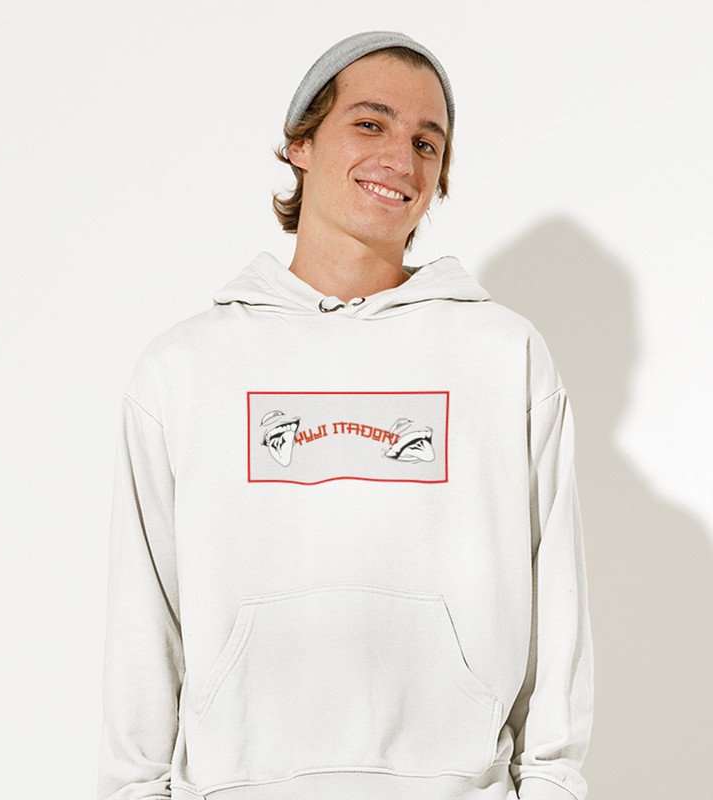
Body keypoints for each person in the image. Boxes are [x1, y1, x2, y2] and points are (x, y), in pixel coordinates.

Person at [96, 30, 594, 800]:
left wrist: (553, 787)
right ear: (300, 144)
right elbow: (142, 616)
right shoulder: (185, 368)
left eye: (426, 142)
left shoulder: (502, 357)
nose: (401, 158)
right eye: (369, 124)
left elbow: (556, 598)